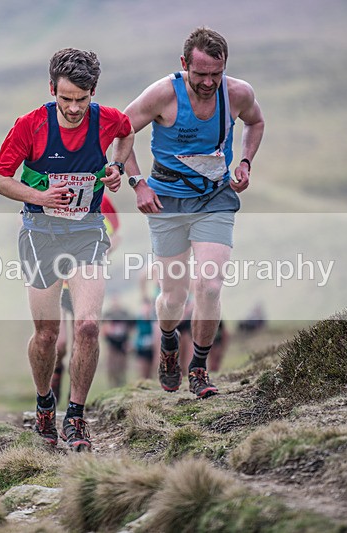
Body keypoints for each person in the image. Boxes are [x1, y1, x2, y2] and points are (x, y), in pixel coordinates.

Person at [0, 48, 134, 451]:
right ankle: (43, 405)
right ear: (52, 88)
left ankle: (76, 418)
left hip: (87, 232)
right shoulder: (30, 125)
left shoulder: (106, 118)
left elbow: (128, 132)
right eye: (65, 98)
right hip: (39, 233)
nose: (73, 108)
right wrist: (40, 197)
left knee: (88, 325)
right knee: (48, 334)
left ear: (93, 93)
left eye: (82, 100)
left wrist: (117, 167)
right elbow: (1, 180)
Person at [123, 27, 265, 398]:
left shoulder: (237, 93)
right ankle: (169, 341)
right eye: (199, 74)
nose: (207, 82)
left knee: (210, 286)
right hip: (166, 202)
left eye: (215, 74)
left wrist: (246, 162)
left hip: (215, 198)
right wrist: (138, 183)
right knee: (173, 296)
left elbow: (256, 121)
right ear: (184, 64)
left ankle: (199, 367)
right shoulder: (162, 94)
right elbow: (120, 132)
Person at [52, 195, 122, 406]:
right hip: (55, 279)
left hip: (83, 278)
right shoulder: (52, 183)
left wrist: (101, 253)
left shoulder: (102, 199)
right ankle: (52, 391)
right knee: (60, 344)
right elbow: (24, 220)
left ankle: (72, 401)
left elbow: (116, 234)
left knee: (81, 338)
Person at [100, 295, 134, 388]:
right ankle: (112, 385)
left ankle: (122, 384)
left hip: (122, 344)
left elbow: (131, 327)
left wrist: (128, 341)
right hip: (111, 344)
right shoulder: (108, 314)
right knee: (111, 367)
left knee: (122, 366)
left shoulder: (125, 314)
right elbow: (103, 329)